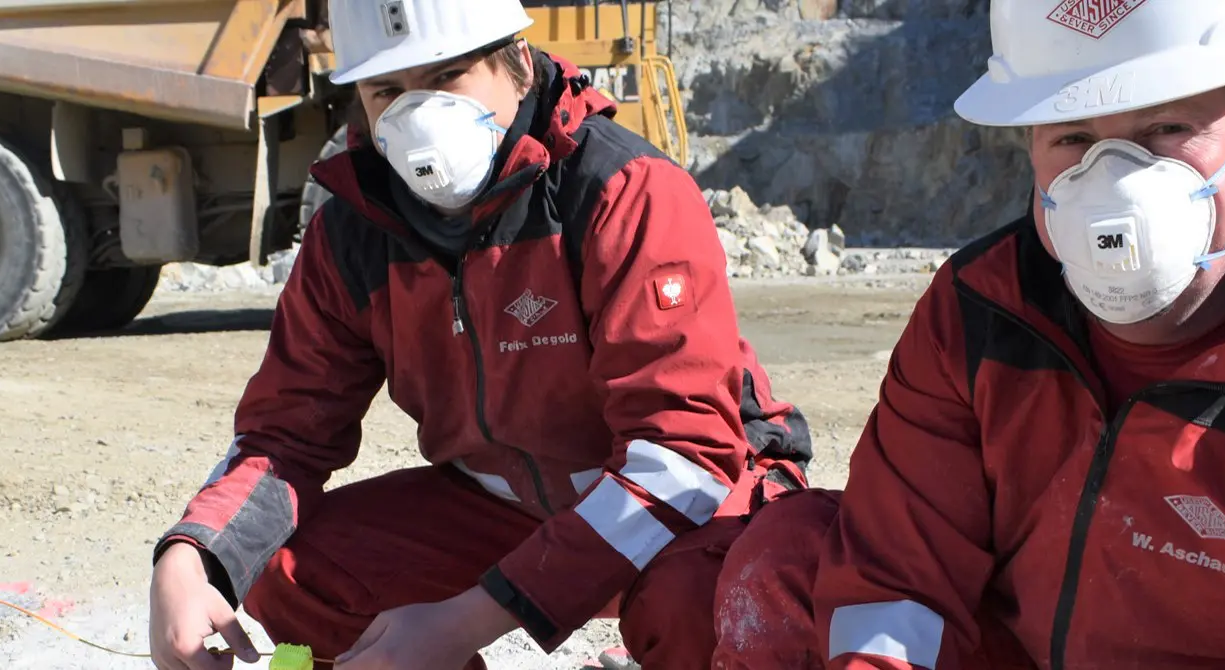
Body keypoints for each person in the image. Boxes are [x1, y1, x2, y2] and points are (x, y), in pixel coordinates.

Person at [712, 0, 1225, 668]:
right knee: (785, 562)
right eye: (1072, 138)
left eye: (1164, 129)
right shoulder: (979, 313)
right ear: (1031, 154)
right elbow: (899, 577)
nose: (1112, 180)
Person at [145, 1, 812, 669]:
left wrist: (463, 622)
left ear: (518, 63)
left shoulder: (620, 193)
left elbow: (683, 456)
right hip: (503, 504)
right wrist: (193, 552)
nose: (417, 114)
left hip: (692, 497)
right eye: (386, 91)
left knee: (706, 601)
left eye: (447, 75)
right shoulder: (352, 236)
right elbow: (284, 434)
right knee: (292, 573)